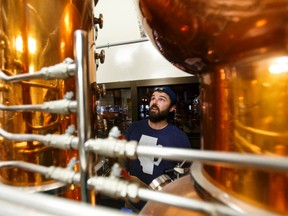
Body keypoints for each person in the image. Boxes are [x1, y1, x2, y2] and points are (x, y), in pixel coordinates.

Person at [124, 86, 191, 212]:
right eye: (153, 98)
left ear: (172, 108)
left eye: (162, 99)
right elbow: (124, 157)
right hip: (133, 202)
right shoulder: (134, 128)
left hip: (162, 206)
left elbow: (186, 171)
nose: (155, 102)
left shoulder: (179, 138)